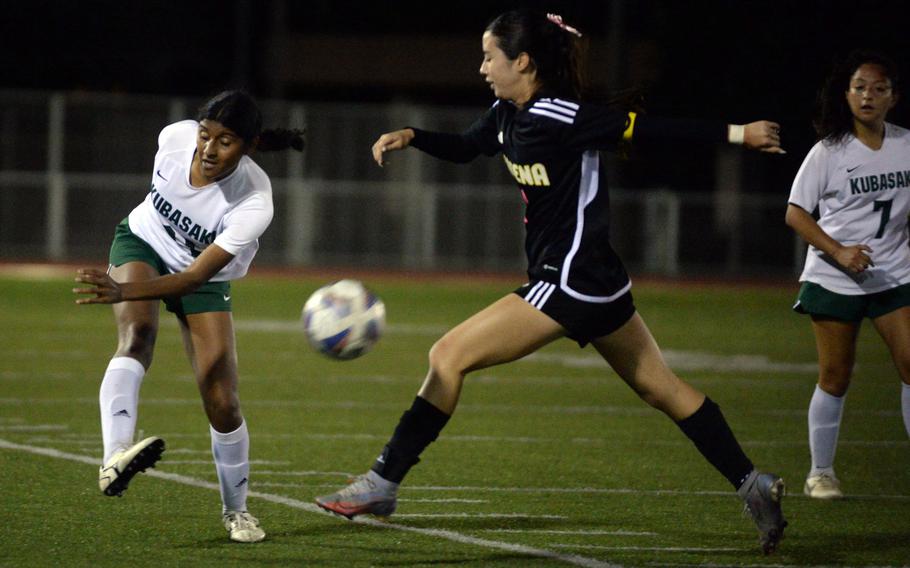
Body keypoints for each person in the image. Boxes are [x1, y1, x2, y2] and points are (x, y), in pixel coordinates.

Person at [315, 10, 788, 555]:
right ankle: (755, 486)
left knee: (448, 355)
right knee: (661, 388)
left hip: (568, 281)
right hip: (598, 284)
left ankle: (382, 482)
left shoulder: (559, 114)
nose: (482, 66)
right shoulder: (506, 113)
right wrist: (412, 136)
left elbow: (646, 128)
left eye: (491, 56)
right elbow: (469, 146)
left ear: (523, 61)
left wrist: (737, 133)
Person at [73, 90, 305, 542]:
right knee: (137, 334)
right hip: (142, 241)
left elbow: (194, 278)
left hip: (199, 276)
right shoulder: (174, 139)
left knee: (223, 400)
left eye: (226, 141)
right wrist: (129, 288)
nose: (208, 149)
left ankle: (237, 511)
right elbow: (162, 209)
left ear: (250, 145)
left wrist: (123, 289)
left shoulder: (254, 202)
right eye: (206, 135)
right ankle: (115, 456)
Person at [786, 50, 910, 500]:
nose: (868, 96)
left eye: (879, 89)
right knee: (836, 377)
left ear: (893, 97)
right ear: (846, 95)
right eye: (859, 88)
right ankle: (820, 472)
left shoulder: (906, 144)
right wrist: (838, 251)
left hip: (893, 275)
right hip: (835, 279)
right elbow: (795, 214)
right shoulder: (829, 152)